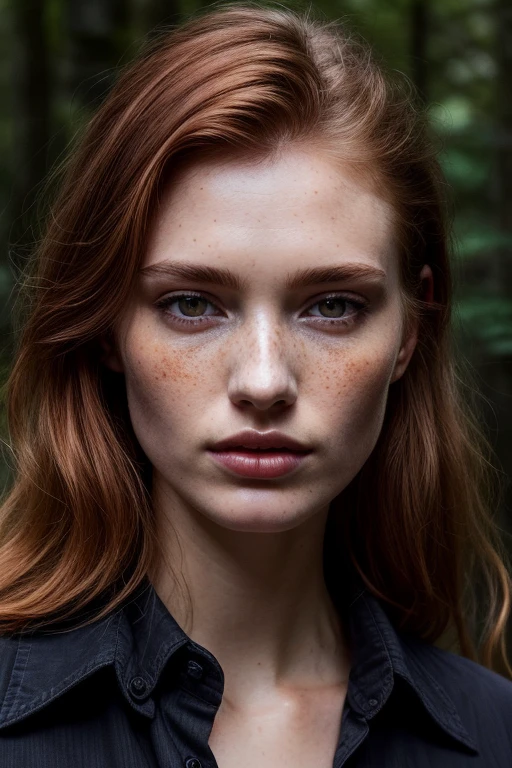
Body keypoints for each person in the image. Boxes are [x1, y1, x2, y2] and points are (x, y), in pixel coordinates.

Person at [0, 3, 511, 766]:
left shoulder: (494, 734)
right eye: (193, 304)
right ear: (109, 327)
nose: (265, 380)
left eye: (333, 306)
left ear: (411, 329)